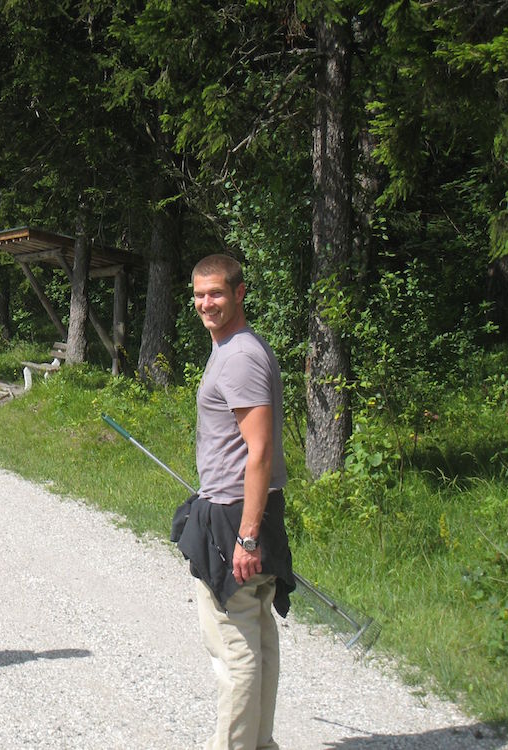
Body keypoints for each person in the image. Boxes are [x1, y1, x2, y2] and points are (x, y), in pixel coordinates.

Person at [186, 254, 294, 749]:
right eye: (200, 293)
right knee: (257, 635)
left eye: (217, 293)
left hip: (237, 515)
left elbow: (261, 450)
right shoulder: (233, 348)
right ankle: (260, 744)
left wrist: (247, 536)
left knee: (235, 648)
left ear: (240, 293)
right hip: (245, 510)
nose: (207, 302)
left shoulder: (240, 356)